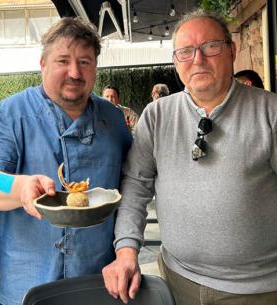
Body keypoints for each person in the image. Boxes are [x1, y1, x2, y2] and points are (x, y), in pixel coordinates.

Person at [102, 9, 277, 305]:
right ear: (175, 62)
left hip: (256, 289)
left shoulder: (269, 112)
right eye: (185, 52)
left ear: (231, 50)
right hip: (175, 280)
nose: (198, 59)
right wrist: (127, 250)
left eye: (210, 46)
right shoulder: (157, 115)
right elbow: (135, 185)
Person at [0, 17, 132, 305]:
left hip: (97, 280)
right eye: (63, 61)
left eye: (85, 62)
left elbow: (133, 185)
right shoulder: (10, 114)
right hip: (27, 284)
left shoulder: (113, 118)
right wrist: (19, 187)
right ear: (43, 64)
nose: (74, 72)